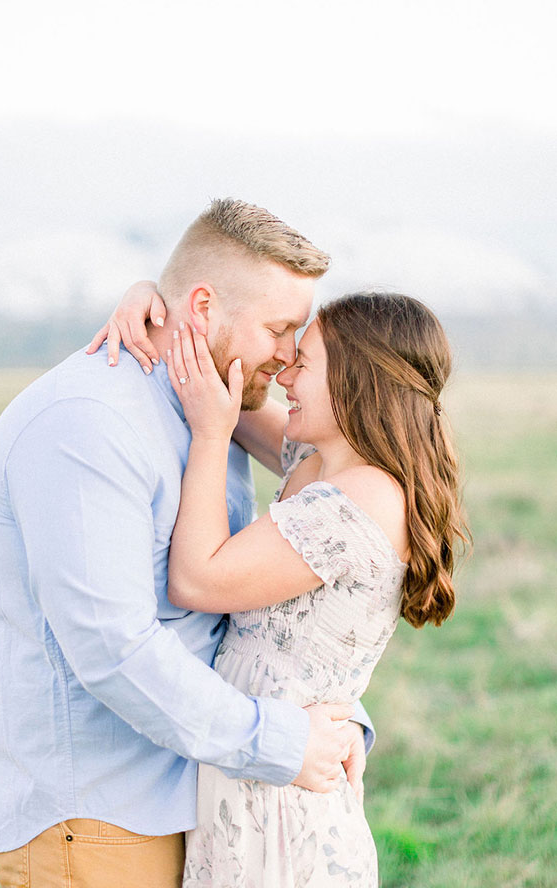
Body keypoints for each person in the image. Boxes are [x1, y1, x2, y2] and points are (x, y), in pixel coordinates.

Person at [0, 199, 375, 888]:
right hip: (99, 821)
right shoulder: (88, 424)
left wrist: (333, 718)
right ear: (201, 307)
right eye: (279, 329)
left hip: (192, 800)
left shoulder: (211, 407)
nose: (286, 358)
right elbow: (113, 648)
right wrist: (280, 740)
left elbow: (242, 599)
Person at [94, 288, 469, 886]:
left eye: (305, 363)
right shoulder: (323, 459)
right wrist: (156, 302)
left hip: (282, 799)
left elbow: (196, 578)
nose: (286, 374)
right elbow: (224, 390)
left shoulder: (361, 498)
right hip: (258, 769)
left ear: (354, 382)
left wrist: (210, 438)